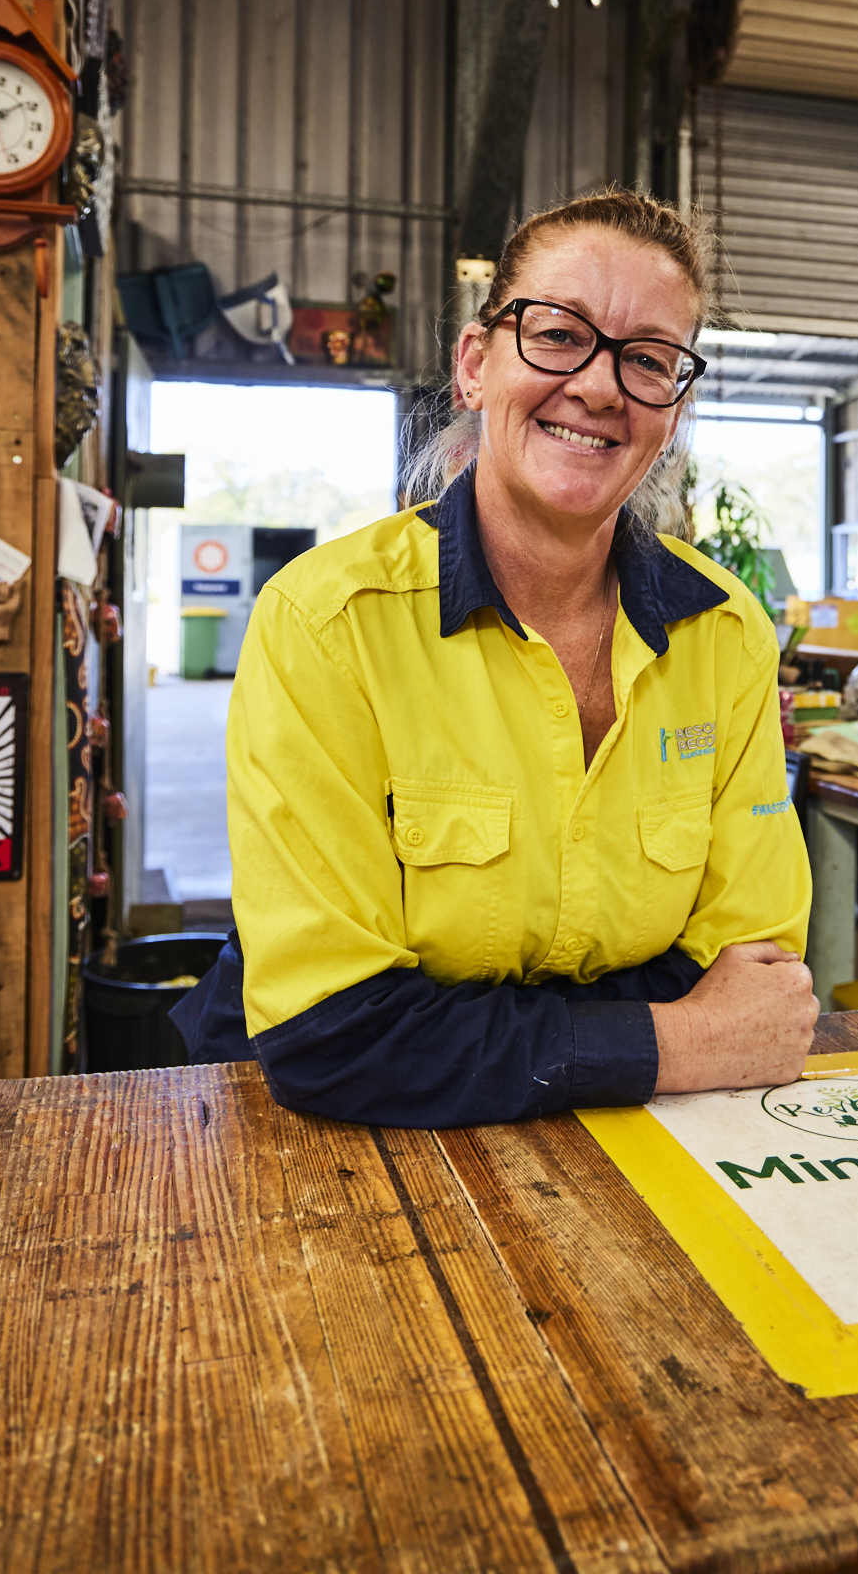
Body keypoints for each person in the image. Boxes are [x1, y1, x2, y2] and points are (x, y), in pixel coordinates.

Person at [174, 189, 818, 1126]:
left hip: (625, 1133)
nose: (600, 386)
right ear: (476, 364)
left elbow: (751, 977)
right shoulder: (327, 625)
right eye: (558, 334)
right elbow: (332, 1034)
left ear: (673, 410)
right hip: (327, 1151)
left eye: (648, 359)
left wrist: (471, 1036)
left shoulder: (724, 637)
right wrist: (675, 1039)